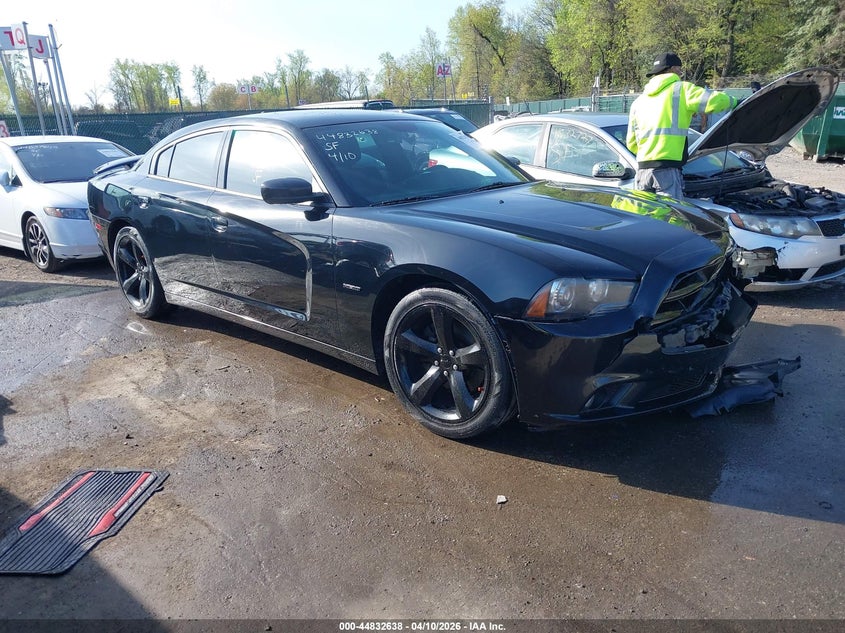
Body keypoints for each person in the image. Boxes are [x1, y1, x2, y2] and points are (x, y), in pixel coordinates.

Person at [626, 52, 739, 200]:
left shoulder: (639, 101)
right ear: (672, 69)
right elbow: (713, 101)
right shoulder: (681, 90)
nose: (681, 73)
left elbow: (631, 143)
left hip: (642, 171)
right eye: (679, 69)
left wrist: (651, 151)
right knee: (671, 219)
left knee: (647, 220)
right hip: (668, 169)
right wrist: (735, 102)